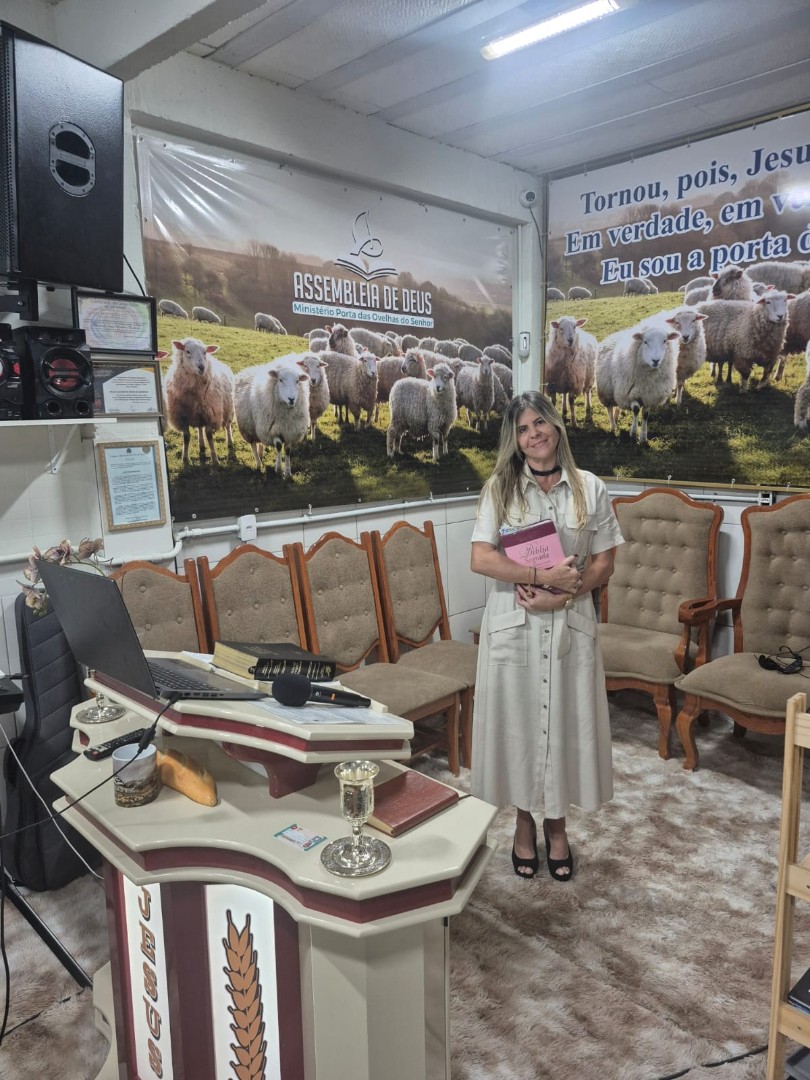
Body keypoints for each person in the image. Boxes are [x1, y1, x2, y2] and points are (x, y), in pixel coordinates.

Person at [470, 391, 623, 881]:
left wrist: (566, 592)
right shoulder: (500, 487)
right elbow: (481, 558)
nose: (533, 434)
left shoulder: (590, 487)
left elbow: (604, 562)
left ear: (556, 426)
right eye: (522, 429)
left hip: (569, 621)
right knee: (518, 727)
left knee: (564, 726)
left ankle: (557, 827)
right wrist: (541, 578)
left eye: (540, 423)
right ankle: (523, 822)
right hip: (513, 625)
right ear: (514, 441)